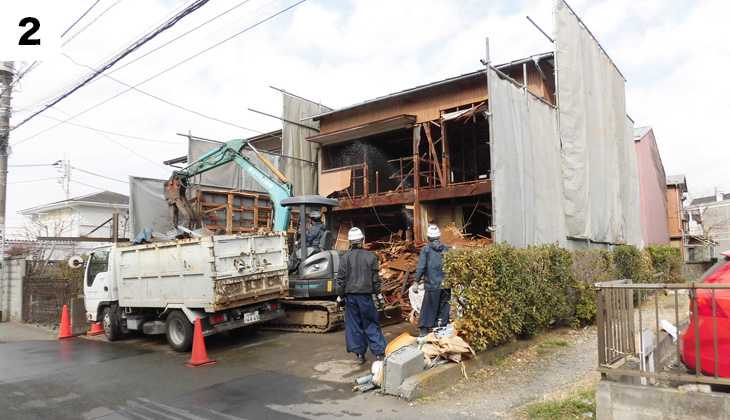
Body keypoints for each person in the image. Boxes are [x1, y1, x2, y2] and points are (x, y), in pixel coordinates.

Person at [336, 227, 387, 364]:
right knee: (370, 324)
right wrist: (379, 296)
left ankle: (359, 355)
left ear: (349, 241)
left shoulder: (345, 258)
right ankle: (380, 353)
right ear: (362, 240)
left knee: (354, 326)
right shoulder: (371, 257)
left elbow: (341, 280)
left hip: (351, 298)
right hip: (366, 298)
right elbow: (376, 279)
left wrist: (340, 297)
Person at [414, 225, 450, 337]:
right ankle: (441, 329)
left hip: (432, 284)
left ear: (428, 237)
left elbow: (421, 266)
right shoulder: (446, 248)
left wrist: (416, 281)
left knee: (428, 307)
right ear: (439, 236)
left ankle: (424, 330)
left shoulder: (426, 249)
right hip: (446, 284)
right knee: (444, 307)